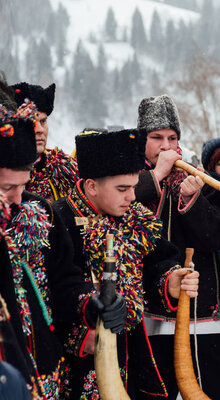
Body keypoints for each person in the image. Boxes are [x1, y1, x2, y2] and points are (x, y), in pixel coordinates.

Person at [53, 128, 200, 398]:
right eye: (123, 189)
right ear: (91, 186)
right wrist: (79, 333)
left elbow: (159, 262)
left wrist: (170, 282)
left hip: (129, 352)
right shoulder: (58, 220)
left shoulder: (135, 219)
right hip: (74, 361)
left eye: (133, 187)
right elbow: (50, 291)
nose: (132, 197)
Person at [0, 104, 124, 399]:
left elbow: (63, 280)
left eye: (24, 183)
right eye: (6, 187)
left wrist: (90, 304)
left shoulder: (39, 212)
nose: (18, 198)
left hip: (43, 372)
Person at [135, 94, 220, 400]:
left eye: (172, 137)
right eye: (156, 138)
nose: (166, 145)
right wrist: (156, 178)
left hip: (201, 314)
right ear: (142, 140)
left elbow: (214, 237)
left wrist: (191, 199)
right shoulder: (129, 179)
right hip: (147, 315)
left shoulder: (198, 179)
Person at [10, 82, 78, 202]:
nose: (39, 130)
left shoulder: (64, 170)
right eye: (30, 123)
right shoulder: (4, 174)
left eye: (43, 122)